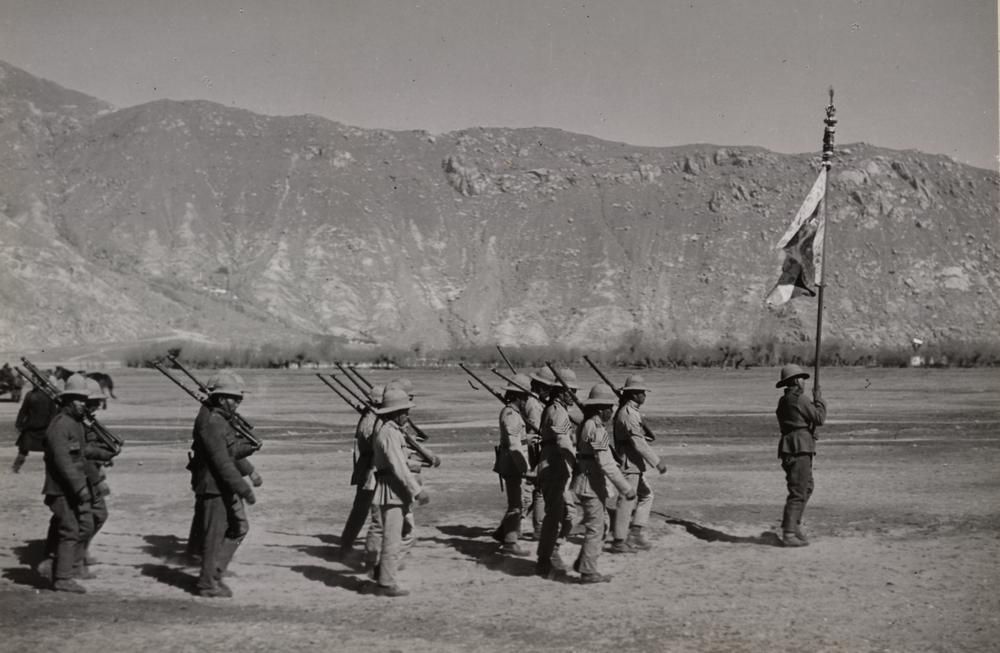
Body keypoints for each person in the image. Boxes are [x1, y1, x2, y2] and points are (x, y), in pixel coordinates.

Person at [188, 373, 258, 597]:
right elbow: (222, 462)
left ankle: (214, 573)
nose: (238, 403)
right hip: (213, 487)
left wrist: (249, 448)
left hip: (220, 485)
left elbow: (230, 452)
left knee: (238, 528)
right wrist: (244, 489)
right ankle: (207, 583)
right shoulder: (212, 422)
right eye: (233, 399)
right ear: (220, 399)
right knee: (215, 536)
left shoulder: (219, 419)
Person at [369, 386, 430, 596]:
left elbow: (402, 462)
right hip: (392, 489)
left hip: (396, 489)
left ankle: (382, 571)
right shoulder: (389, 433)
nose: (407, 415)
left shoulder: (393, 431)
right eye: (405, 411)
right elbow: (398, 466)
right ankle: (385, 583)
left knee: (406, 534)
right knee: (393, 538)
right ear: (395, 413)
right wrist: (417, 490)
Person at [571, 384, 635, 583]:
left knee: (602, 524)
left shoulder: (586, 424)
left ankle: (583, 562)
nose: (612, 411)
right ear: (600, 409)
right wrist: (626, 488)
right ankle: (588, 572)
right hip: (591, 484)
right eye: (610, 407)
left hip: (588, 480)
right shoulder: (596, 429)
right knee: (596, 528)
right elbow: (606, 463)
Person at [39, 374, 94, 593]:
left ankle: (55, 568)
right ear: (68, 400)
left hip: (68, 488)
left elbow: (81, 455)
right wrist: (80, 488)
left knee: (70, 529)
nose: (83, 404)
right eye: (78, 400)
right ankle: (62, 578)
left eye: (84, 400)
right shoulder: (61, 426)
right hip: (60, 489)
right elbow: (64, 463)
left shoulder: (74, 424)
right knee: (70, 530)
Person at [611, 374, 668, 553]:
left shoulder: (630, 412)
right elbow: (638, 443)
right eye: (642, 392)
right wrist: (657, 462)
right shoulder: (628, 414)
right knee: (627, 501)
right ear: (634, 394)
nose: (644, 395)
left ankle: (635, 531)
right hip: (629, 464)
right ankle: (619, 540)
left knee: (646, 495)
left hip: (633, 463)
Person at [774, 364, 827, 547]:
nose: (804, 382)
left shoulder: (784, 401)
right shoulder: (800, 399)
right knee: (799, 491)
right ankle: (789, 532)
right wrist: (819, 401)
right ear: (797, 381)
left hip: (790, 447)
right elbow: (819, 418)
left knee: (806, 487)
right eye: (803, 379)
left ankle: (793, 525)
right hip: (799, 448)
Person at [535, 368, 579, 578]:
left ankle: (550, 553)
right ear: (562, 392)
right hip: (554, 467)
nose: (574, 396)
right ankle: (546, 559)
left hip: (552, 465)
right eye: (572, 391)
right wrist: (576, 463)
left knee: (562, 513)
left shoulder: (553, 409)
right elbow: (562, 441)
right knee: (554, 516)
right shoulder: (558, 412)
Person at [338, 384, 385, 560]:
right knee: (371, 512)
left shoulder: (371, 416)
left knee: (362, 509)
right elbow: (376, 446)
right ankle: (363, 553)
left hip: (369, 467)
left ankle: (347, 545)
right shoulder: (371, 421)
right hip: (370, 470)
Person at [79, 378, 118, 572]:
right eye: (92, 402)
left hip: (93, 473)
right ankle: (75, 556)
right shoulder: (77, 423)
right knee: (89, 518)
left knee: (97, 516)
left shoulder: (87, 421)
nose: (96, 406)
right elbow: (83, 452)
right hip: (84, 477)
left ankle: (81, 552)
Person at [493, 373, 533, 556]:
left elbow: (518, 438)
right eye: (524, 397)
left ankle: (502, 533)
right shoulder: (511, 415)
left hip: (514, 462)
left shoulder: (514, 414)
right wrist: (525, 469)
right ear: (517, 397)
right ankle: (510, 542)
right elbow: (513, 443)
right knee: (516, 504)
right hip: (513, 464)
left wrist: (530, 438)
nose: (526, 401)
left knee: (517, 502)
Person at [523, 368, 552, 540]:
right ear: (540, 388)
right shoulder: (534, 405)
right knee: (535, 490)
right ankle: (536, 528)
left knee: (536, 490)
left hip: (533, 450)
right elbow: (535, 431)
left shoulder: (533, 401)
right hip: (534, 451)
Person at [12, 372, 59, 473]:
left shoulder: (31, 395)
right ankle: (16, 468)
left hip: (35, 427)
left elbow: (23, 411)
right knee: (27, 450)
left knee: (24, 450)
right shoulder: (48, 395)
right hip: (40, 428)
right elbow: (53, 413)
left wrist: (19, 424)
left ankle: (16, 468)